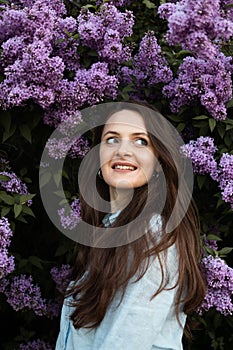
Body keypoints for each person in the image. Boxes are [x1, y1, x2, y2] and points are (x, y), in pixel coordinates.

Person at [55, 101, 206, 349]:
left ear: (158, 161)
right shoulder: (109, 230)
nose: (123, 151)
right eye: (112, 139)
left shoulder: (155, 236)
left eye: (140, 141)